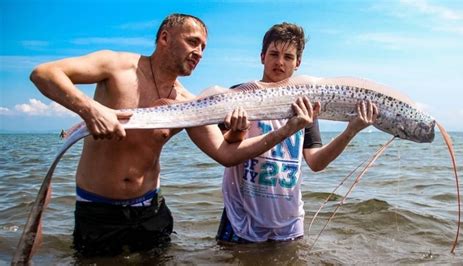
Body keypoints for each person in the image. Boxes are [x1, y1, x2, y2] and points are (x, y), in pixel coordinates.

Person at [29, 14, 316, 256]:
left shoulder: (187, 103)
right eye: (193, 42)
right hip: (98, 210)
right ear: (165, 38)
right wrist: (91, 110)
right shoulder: (116, 66)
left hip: (151, 211)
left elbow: (226, 154)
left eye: (203, 47)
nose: (199, 52)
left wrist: (286, 129)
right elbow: (44, 73)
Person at [216, 22, 378, 243]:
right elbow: (223, 152)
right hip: (241, 221)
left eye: (288, 57)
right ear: (262, 56)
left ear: (298, 62)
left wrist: (351, 130)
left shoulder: (306, 105)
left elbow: (316, 162)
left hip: (289, 226)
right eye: (274, 54)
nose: (279, 62)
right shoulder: (239, 95)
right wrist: (237, 131)